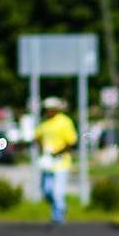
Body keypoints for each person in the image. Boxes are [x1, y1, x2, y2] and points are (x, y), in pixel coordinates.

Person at [33, 96, 78, 224]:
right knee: (47, 190)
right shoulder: (44, 123)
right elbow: (37, 137)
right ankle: (60, 207)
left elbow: (71, 142)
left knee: (57, 191)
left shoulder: (65, 122)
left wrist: (57, 153)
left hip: (61, 162)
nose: (48, 111)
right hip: (47, 162)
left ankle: (58, 215)